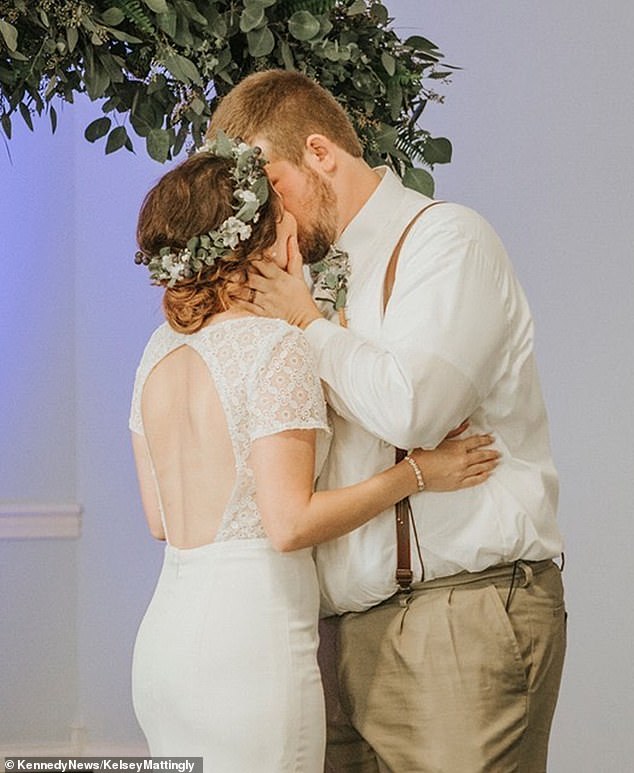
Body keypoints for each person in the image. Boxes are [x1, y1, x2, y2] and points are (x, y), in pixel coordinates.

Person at [207, 70, 567, 773]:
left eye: (268, 184)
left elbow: (415, 408)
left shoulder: (447, 242)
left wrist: (306, 325)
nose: (257, 213)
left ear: (319, 154)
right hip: (334, 640)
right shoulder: (297, 277)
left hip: (455, 620)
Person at [128, 134, 499, 773]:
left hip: (165, 641)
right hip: (249, 643)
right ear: (263, 250)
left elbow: (160, 521)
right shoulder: (276, 348)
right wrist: (415, 473)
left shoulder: (157, 352)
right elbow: (289, 523)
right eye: (286, 231)